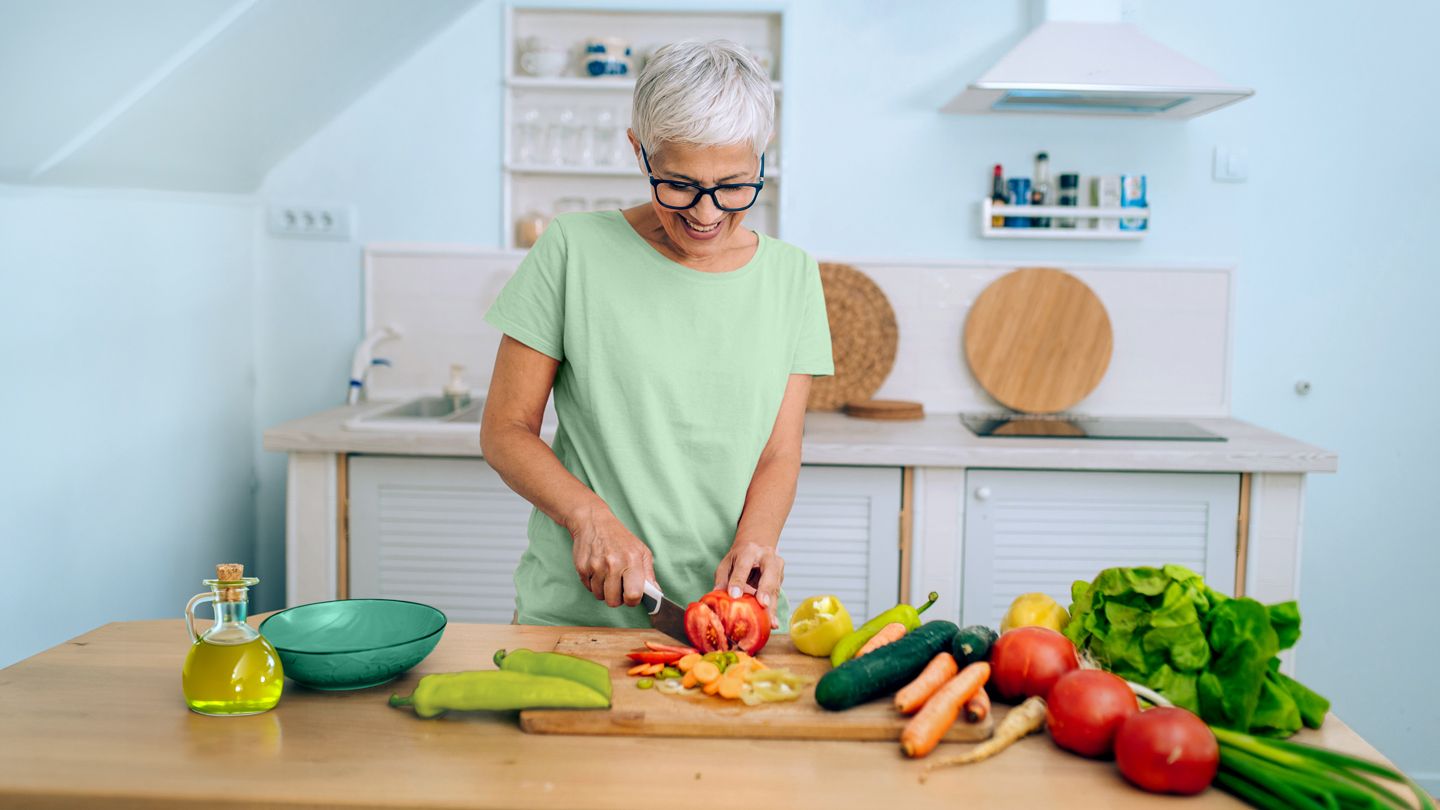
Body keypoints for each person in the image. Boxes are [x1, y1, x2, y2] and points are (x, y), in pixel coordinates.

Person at [480, 40, 832, 630]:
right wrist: (588, 517)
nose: (706, 212)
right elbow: (505, 431)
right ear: (639, 151)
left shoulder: (792, 276)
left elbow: (778, 452)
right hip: (575, 618)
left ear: (763, 156)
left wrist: (757, 543)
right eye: (679, 184)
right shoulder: (572, 249)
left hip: (728, 621)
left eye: (734, 184)